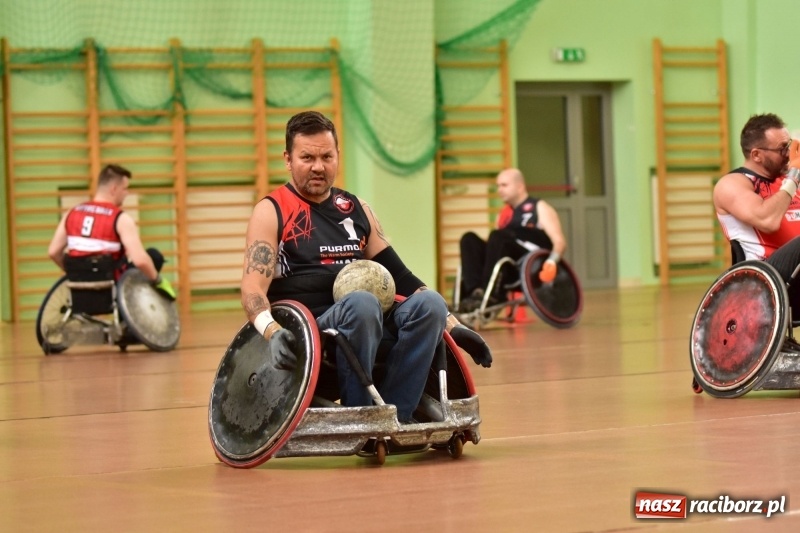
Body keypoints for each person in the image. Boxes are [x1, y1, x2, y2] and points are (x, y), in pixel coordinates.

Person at [240, 110, 492, 424]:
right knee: (361, 303)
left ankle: (396, 415)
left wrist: (454, 325)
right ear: (288, 159)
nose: (318, 167)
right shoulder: (272, 210)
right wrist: (272, 331)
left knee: (429, 304)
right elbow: (252, 288)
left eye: (327, 157)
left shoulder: (356, 209)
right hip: (313, 331)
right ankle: (358, 416)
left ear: (337, 156)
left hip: (370, 319)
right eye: (307, 157)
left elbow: (401, 277)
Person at [47, 164, 176, 299]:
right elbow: (140, 261)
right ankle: (127, 312)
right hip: (111, 285)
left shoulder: (71, 213)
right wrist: (158, 280)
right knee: (153, 257)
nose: (127, 193)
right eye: (125, 189)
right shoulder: (120, 218)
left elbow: (53, 252)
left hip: (79, 284)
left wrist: (76, 275)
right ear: (114, 189)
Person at [713, 112, 800, 312]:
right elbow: (767, 220)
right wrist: (794, 176)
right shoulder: (733, 184)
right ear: (756, 155)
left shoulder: (787, 182)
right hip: (765, 279)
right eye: (782, 149)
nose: (788, 154)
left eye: (789, 146)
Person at [457, 167, 567, 312]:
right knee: (469, 238)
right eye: (498, 186)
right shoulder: (503, 215)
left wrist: (552, 261)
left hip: (528, 264)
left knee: (498, 236)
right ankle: (475, 292)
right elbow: (493, 248)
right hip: (504, 263)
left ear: (520, 186)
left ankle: (492, 294)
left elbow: (559, 241)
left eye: (504, 185)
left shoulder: (539, 207)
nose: (499, 190)